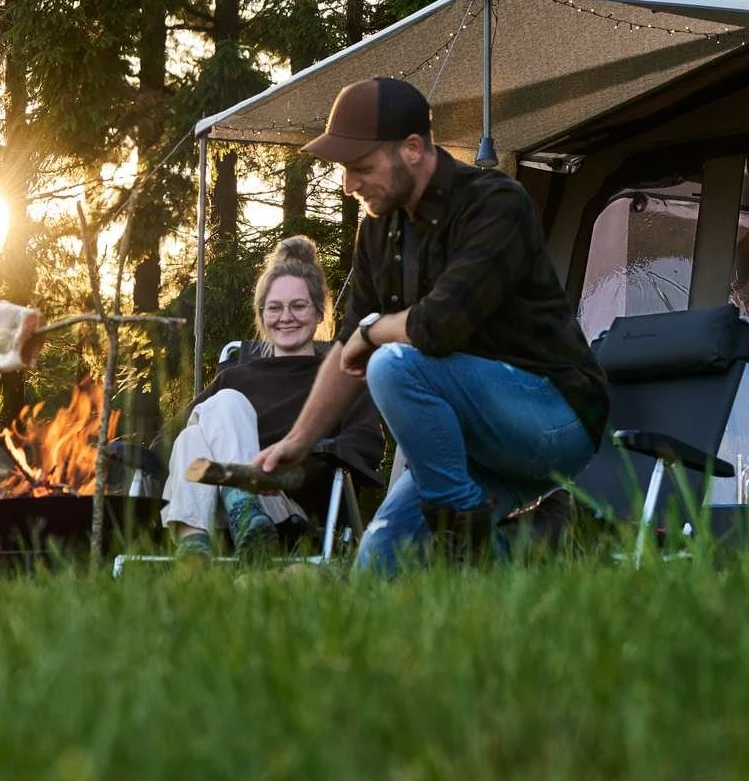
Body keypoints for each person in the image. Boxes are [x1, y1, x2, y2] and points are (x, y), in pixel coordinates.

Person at [254, 76, 609, 572]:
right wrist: (298, 442)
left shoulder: (495, 204)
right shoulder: (378, 230)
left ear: (413, 149)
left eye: (362, 168)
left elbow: (436, 328)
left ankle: (461, 525)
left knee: (395, 365)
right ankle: (538, 540)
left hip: (553, 416)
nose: (349, 185)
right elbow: (345, 351)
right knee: (379, 567)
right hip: (471, 443)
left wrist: (374, 332)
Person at [161, 236, 385, 557]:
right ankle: (206, 538)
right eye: (275, 308)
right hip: (213, 510)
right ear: (262, 315)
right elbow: (166, 441)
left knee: (224, 404)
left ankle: (202, 539)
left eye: (298, 306)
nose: (285, 317)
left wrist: (304, 458)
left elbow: (366, 445)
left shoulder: (340, 378)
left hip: (283, 509)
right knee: (194, 433)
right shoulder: (234, 376)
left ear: (320, 312)